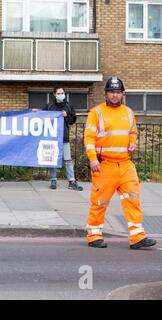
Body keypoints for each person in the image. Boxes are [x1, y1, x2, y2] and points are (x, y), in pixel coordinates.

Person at [84, 77, 157, 249]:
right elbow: (88, 138)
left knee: (133, 200)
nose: (114, 96)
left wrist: (133, 141)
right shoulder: (97, 112)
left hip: (125, 165)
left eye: (117, 92)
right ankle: (94, 235)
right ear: (106, 93)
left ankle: (137, 237)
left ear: (122, 94)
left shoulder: (128, 112)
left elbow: (133, 131)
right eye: (111, 92)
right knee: (100, 202)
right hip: (105, 165)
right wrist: (93, 159)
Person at [40, 87, 83, 191]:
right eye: (59, 93)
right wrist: (36, 111)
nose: (61, 94)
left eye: (62, 93)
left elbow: (72, 120)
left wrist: (66, 115)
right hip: (52, 138)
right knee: (52, 159)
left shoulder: (68, 106)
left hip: (64, 137)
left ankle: (71, 181)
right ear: (54, 94)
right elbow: (41, 115)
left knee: (68, 160)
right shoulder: (50, 106)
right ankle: (53, 179)